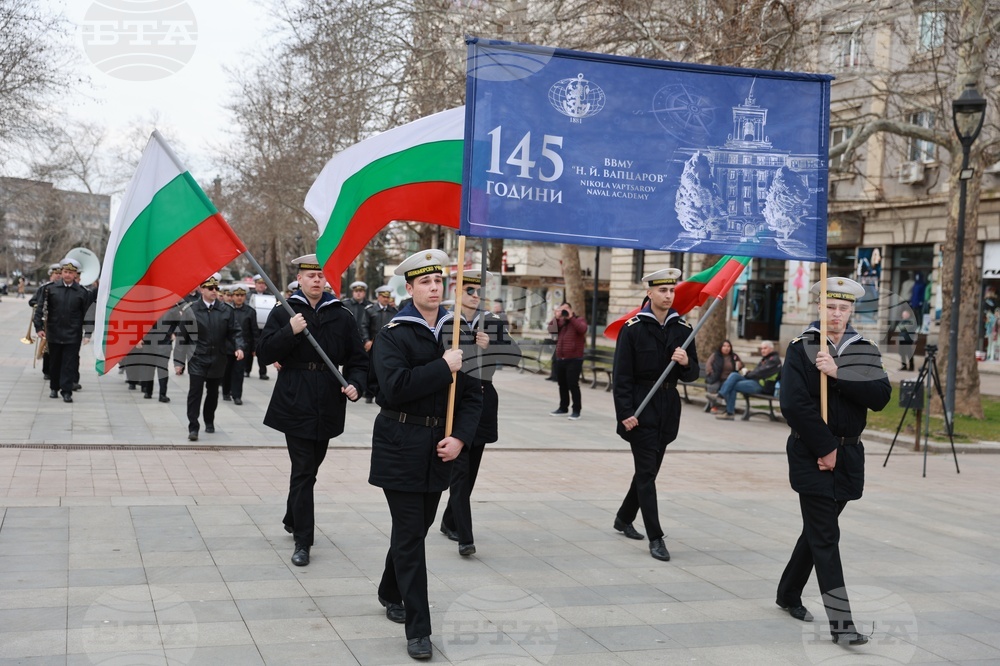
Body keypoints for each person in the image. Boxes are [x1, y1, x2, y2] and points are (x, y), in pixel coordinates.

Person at [368, 249, 482, 660]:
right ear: (410, 288)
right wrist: (443, 366)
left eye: (439, 282)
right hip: (399, 444)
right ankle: (419, 628)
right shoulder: (392, 333)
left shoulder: (458, 333)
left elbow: (473, 397)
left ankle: (388, 589)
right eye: (426, 283)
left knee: (412, 531)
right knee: (411, 533)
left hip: (439, 449)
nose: (435, 288)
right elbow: (394, 386)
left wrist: (461, 440)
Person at [775, 277, 891, 646]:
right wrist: (825, 447)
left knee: (817, 530)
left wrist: (839, 374)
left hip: (850, 455)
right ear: (819, 308)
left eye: (842, 308)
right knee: (826, 536)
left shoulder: (865, 349)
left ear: (851, 310)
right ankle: (842, 625)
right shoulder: (801, 347)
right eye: (830, 306)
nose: (836, 314)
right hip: (812, 454)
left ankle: (788, 593)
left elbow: (881, 397)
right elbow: (794, 404)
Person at [256, 255, 368, 567]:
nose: (317, 280)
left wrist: (357, 383)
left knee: (309, 469)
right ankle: (303, 540)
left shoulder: (341, 315)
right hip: (296, 396)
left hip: (329, 398)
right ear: (299, 280)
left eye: (321, 275)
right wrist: (289, 331)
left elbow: (358, 358)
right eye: (311, 276)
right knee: (305, 469)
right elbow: (264, 353)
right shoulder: (284, 312)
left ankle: (293, 515)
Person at [611, 269, 699, 562]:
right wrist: (624, 412)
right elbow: (621, 375)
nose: (668, 295)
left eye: (671, 290)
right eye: (662, 290)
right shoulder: (633, 328)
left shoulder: (683, 329)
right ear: (649, 293)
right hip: (640, 407)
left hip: (668, 409)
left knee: (648, 471)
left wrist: (686, 363)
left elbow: (693, 375)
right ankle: (656, 537)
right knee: (648, 473)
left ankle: (624, 517)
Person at [440, 270, 521, 557]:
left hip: (485, 399)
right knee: (459, 474)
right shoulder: (444, 321)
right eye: (469, 290)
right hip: (455, 402)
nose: (475, 296)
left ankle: (450, 521)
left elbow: (515, 356)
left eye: (478, 291)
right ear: (457, 291)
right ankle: (465, 536)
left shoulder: (491, 322)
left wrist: (493, 345)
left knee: (470, 473)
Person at [173, 274, 245, 441]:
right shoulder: (191, 310)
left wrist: (239, 347)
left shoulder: (226, 310)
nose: (214, 291)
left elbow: (235, 331)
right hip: (197, 357)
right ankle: (193, 426)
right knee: (195, 393)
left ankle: (209, 420)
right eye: (210, 288)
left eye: (216, 288)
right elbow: (182, 337)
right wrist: (178, 362)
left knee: (212, 393)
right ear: (201, 289)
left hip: (218, 359)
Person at [33, 258, 96, 403]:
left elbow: (88, 314)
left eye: (71, 273)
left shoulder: (82, 292)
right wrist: (39, 328)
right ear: (61, 272)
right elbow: (40, 309)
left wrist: (87, 333)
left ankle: (67, 391)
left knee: (69, 363)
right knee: (55, 362)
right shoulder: (50, 289)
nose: (67, 275)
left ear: (76, 275)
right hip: (54, 332)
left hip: (73, 334)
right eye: (65, 272)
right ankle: (54, 388)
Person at [715, 340, 782, 420]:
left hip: (762, 386)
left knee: (733, 385)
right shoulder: (766, 359)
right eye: (761, 349)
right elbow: (757, 372)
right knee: (734, 375)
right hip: (756, 381)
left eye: (765, 348)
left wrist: (748, 374)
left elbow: (760, 373)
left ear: (771, 349)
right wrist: (748, 373)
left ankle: (729, 412)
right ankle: (721, 396)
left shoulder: (774, 360)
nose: (763, 350)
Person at [547, 301, 588, 419]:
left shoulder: (579, 320)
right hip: (561, 357)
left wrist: (571, 318)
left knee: (573, 385)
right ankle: (563, 407)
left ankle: (576, 410)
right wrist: (556, 317)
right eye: (562, 309)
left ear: (571, 309)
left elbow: (582, 329)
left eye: (566, 309)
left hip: (575, 358)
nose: (564, 311)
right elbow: (551, 329)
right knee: (562, 384)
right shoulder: (560, 322)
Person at [222, 285, 256, 405]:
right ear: (232, 297)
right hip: (227, 347)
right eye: (237, 295)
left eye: (242, 295)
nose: (240, 298)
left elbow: (254, 331)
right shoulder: (226, 310)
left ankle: (237, 395)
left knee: (238, 372)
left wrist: (254, 348)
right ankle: (226, 392)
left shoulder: (250, 312)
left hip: (243, 348)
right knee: (226, 371)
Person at [30, 263, 64, 381]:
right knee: (47, 348)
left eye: (60, 273)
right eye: (56, 274)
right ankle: (47, 371)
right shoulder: (44, 287)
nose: (59, 276)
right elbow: (33, 300)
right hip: (47, 321)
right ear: (51, 275)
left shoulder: (64, 287)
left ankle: (57, 370)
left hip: (60, 321)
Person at [704, 339, 743, 413]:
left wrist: (740, 366)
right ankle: (714, 406)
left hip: (728, 379)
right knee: (713, 386)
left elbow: (740, 365)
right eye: (724, 346)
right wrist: (711, 373)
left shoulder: (734, 356)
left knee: (728, 387)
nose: (726, 348)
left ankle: (729, 408)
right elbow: (708, 365)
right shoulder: (715, 355)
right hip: (716, 377)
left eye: (728, 346)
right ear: (721, 347)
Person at [249, 274, 271, 380]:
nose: (261, 285)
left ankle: (263, 372)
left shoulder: (271, 296)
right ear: (255, 284)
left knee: (261, 348)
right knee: (249, 348)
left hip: (264, 328)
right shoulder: (249, 295)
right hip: (251, 326)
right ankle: (246, 369)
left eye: (263, 283)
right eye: (259, 283)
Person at [345, 280, 372, 349]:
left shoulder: (370, 306)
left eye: (361, 291)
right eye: (356, 291)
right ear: (352, 293)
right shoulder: (346, 304)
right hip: (349, 338)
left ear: (364, 293)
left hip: (365, 340)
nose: (358, 293)